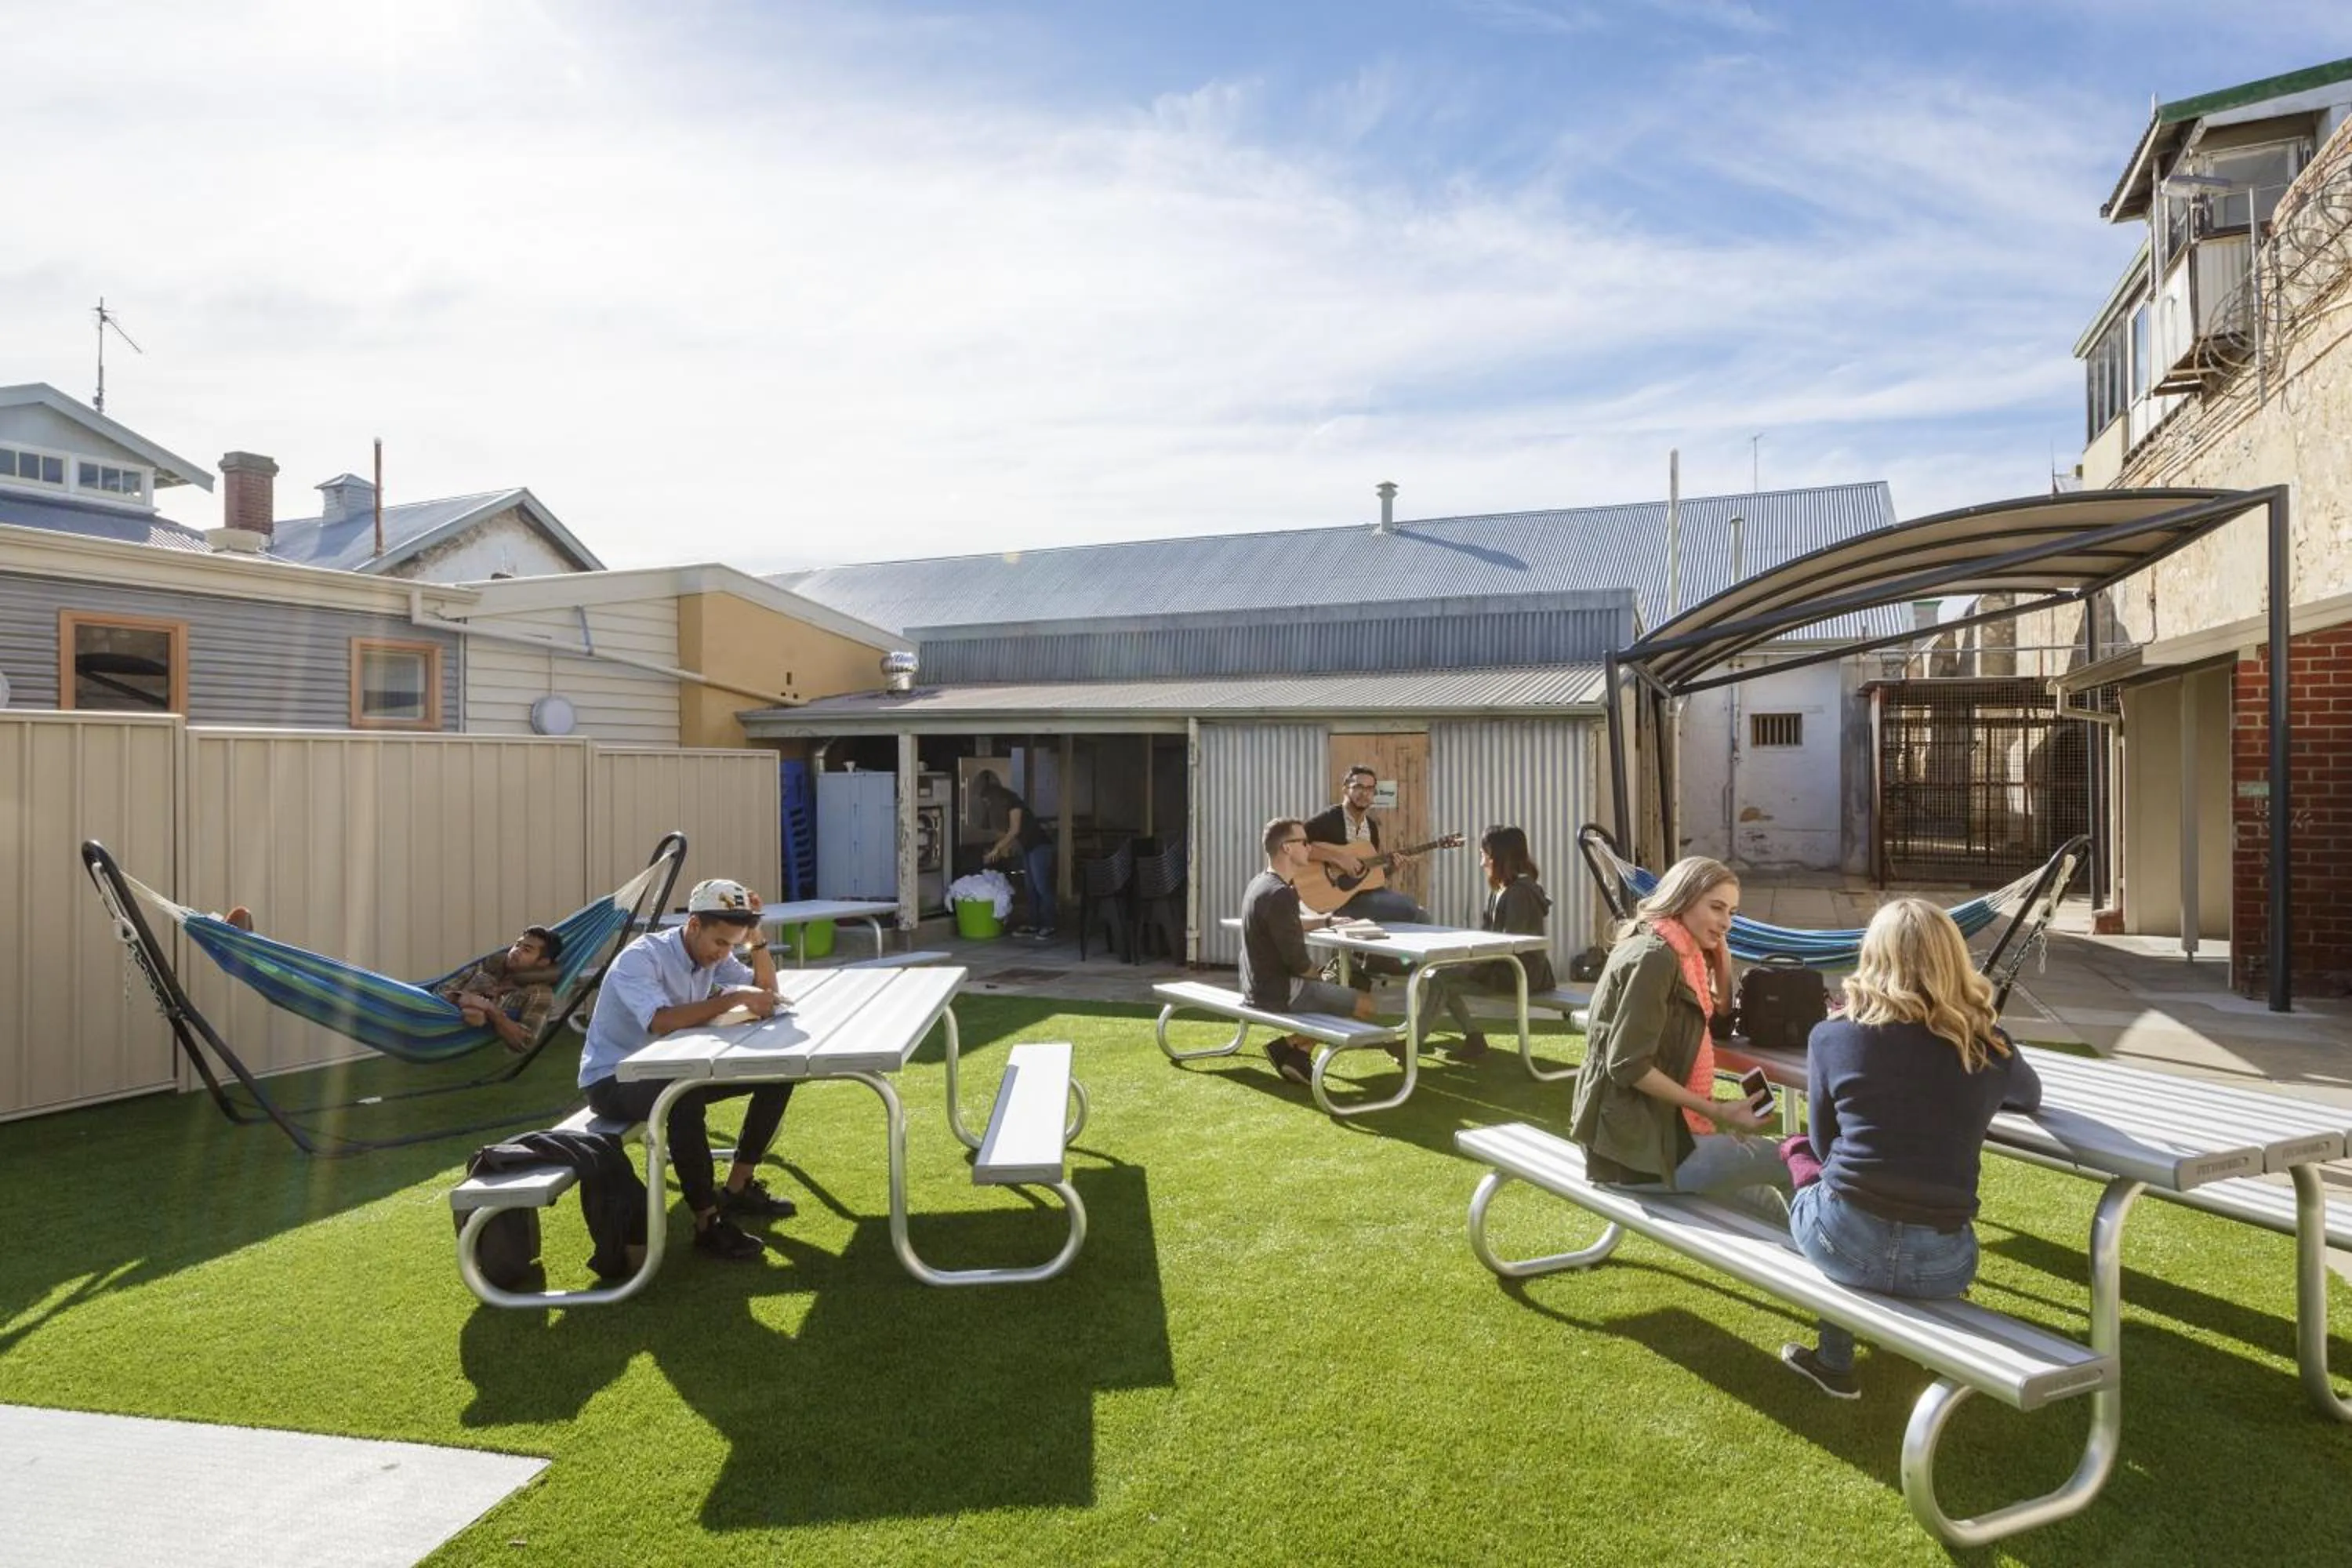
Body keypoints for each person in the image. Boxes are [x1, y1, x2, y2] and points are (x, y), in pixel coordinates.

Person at [1779, 898, 2044, 1400]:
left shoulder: (1832, 1036)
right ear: (1953, 958)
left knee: (1809, 1168)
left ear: (1872, 956)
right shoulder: (1986, 1044)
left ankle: (1835, 1361)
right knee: (1845, 1191)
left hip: (1842, 1244)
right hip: (1945, 1264)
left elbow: (1824, 1144)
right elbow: (2029, 1096)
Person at [578, 877, 797, 1263]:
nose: (724, 954)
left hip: (673, 1068)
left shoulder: (710, 950)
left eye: (732, 945)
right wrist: (733, 999)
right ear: (694, 925)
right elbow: (661, 1021)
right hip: (613, 1079)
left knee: (778, 1071)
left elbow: (766, 992)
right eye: (720, 943)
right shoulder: (640, 958)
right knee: (682, 1098)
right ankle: (707, 1223)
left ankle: (737, 1188)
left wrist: (756, 939)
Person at [1565, 855, 1786, 1207]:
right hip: (1634, 1153)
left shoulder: (1681, 951)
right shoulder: (1655, 957)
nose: (1726, 922)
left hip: (1650, 1138)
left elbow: (1713, 1025)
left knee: (1764, 1201)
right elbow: (1628, 1065)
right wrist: (1717, 1111)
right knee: (1794, 1160)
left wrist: (1724, 964)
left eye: (1731, 912)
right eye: (1717, 908)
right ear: (1684, 898)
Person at [1241, 817, 1385, 1085]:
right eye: (1304, 842)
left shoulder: (1261, 884)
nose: (1310, 848)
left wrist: (1327, 920)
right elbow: (1297, 962)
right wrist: (1320, 980)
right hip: (1279, 991)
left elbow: (1290, 922)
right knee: (1365, 1004)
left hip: (1256, 985)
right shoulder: (1280, 894)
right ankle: (1287, 1046)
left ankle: (1297, 1054)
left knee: (1341, 989)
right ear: (1287, 848)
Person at [1416, 826, 1554, 1063]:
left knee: (1442, 978)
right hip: (1504, 967)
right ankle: (1473, 1039)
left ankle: (1414, 1042)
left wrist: (1473, 963)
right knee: (1441, 975)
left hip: (1521, 974)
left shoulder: (1519, 894)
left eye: (1484, 855)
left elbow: (1512, 945)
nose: (1482, 863)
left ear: (1498, 857)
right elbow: (1490, 938)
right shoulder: (1502, 889)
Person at [1301, 766, 1430, 926]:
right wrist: (1338, 858)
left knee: (1416, 909)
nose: (1364, 793)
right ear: (1345, 789)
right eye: (1358, 787)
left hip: (1362, 895)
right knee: (1416, 913)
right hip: (1332, 901)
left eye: (1370, 789)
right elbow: (1294, 847)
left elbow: (1367, 876)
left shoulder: (1371, 827)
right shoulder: (1327, 819)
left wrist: (1392, 868)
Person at [436, 924, 564, 1054]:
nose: (516, 951)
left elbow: (526, 1042)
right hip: (437, 1022)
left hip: (466, 1042)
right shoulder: (487, 967)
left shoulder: (539, 993)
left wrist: (491, 1012)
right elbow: (440, 991)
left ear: (543, 962)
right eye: (517, 945)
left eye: (526, 950)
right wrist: (463, 1000)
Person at [979, 776, 1057, 939]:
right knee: (1030, 887)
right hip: (1029, 848)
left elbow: (1014, 831)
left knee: (1041, 886)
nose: (988, 805)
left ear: (996, 797)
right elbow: (1008, 836)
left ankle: (1049, 924)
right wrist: (998, 851)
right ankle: (1034, 924)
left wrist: (997, 849)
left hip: (1040, 846)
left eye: (988, 801)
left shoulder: (1015, 805)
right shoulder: (1005, 808)